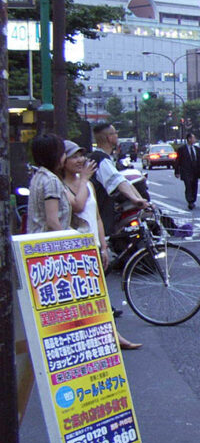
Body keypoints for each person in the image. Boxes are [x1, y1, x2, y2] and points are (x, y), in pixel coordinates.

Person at [62, 140, 142, 351]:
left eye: (81, 155)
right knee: (82, 298)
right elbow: (78, 207)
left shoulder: (86, 183)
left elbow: (95, 216)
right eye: (74, 156)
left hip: (92, 245)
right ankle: (100, 337)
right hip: (73, 249)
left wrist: (103, 245)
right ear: (63, 161)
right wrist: (85, 178)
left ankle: (111, 335)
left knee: (98, 296)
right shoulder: (62, 185)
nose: (80, 160)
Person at [89, 122, 149, 236]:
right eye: (115, 133)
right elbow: (119, 183)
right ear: (109, 137)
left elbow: (125, 182)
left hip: (102, 211)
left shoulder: (103, 157)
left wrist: (140, 199)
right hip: (101, 212)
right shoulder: (101, 159)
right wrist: (135, 199)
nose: (117, 136)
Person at [27, 133, 71, 234]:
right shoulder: (51, 180)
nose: (65, 156)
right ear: (55, 155)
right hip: (49, 243)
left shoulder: (38, 176)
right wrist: (65, 240)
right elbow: (52, 222)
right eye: (63, 152)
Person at [174, 132, 200, 210]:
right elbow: (177, 161)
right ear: (189, 139)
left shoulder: (197, 149)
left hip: (196, 171)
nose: (194, 139)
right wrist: (177, 171)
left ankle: (193, 200)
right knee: (188, 186)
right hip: (186, 171)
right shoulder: (182, 149)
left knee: (194, 186)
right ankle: (190, 201)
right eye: (193, 138)